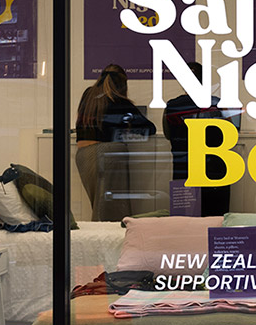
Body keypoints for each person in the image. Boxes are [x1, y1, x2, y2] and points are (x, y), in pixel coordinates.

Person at [75, 64, 156, 221]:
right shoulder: (119, 101)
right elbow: (149, 128)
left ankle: (96, 237)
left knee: (98, 204)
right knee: (113, 207)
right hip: (108, 154)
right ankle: (112, 240)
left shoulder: (88, 95)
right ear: (122, 83)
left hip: (83, 156)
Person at [163, 61, 234, 216]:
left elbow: (169, 135)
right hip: (214, 171)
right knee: (214, 221)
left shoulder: (172, 106)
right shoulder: (218, 104)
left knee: (184, 222)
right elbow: (230, 133)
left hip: (184, 169)